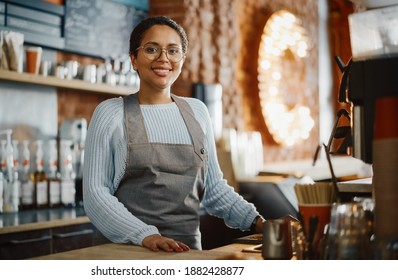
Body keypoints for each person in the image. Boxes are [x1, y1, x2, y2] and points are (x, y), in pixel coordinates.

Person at [83, 15, 266, 253]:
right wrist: (145, 235)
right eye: (151, 49)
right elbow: (95, 195)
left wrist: (259, 222)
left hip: (186, 253)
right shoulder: (110, 113)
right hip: (126, 253)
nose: (163, 59)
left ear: (182, 59)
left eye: (173, 51)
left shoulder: (198, 112)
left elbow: (214, 190)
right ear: (133, 59)